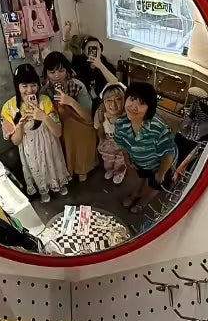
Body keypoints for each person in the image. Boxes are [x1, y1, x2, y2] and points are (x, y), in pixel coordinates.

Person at [0, 63, 70, 203]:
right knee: (38, 169)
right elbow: (16, 141)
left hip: (50, 144)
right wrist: (19, 126)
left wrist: (43, 116)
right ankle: (43, 190)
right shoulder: (8, 108)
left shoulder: (45, 101)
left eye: (33, 85)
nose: (29, 90)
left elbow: (57, 132)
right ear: (17, 86)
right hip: (30, 149)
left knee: (53, 163)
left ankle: (60, 183)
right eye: (24, 86)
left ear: (38, 85)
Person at [115, 81, 177, 214]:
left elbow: (168, 153)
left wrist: (161, 173)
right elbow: (122, 144)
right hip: (141, 161)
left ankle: (143, 202)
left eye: (142, 103)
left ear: (150, 108)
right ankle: (136, 194)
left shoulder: (158, 127)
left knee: (155, 185)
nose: (134, 107)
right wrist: (127, 159)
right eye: (132, 99)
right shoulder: (121, 124)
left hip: (162, 165)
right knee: (141, 177)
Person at [41, 51, 98, 182]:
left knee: (74, 130)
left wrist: (71, 102)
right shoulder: (44, 91)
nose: (56, 76)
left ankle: (82, 167)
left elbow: (88, 116)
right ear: (46, 74)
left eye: (61, 71)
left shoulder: (77, 85)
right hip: (57, 123)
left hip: (80, 121)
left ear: (67, 71)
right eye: (52, 72)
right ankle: (67, 168)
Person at [62, 22, 119, 110]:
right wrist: (66, 35)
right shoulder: (79, 61)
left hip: (102, 103)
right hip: (82, 100)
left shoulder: (107, 65)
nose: (93, 51)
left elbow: (115, 83)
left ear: (101, 50)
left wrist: (100, 66)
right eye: (90, 48)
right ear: (84, 51)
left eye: (96, 48)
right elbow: (65, 55)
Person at [94, 83, 127, 185]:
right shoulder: (100, 114)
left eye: (118, 99)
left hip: (122, 146)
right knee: (107, 162)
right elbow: (97, 127)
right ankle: (110, 169)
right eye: (109, 100)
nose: (113, 105)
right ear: (104, 102)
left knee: (119, 163)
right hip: (107, 143)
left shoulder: (127, 116)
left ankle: (119, 172)